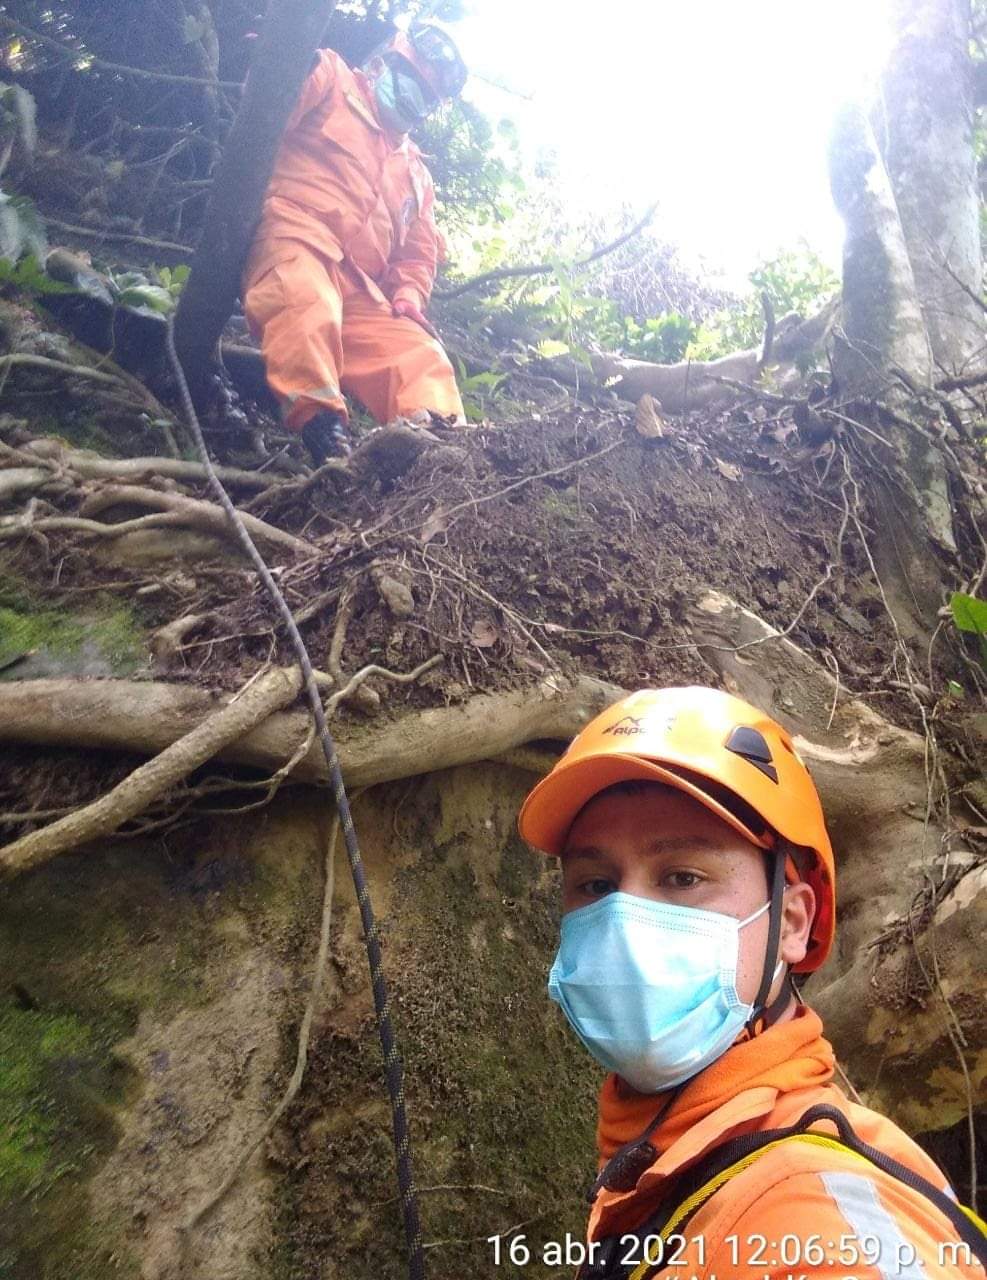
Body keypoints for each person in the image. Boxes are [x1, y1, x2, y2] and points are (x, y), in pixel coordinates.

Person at [517, 686, 986, 1280]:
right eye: (594, 885)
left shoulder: (805, 1212)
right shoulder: (677, 1159)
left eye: (682, 877)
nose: (624, 923)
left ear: (791, 923)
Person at [242, 23, 467, 465]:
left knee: (420, 353)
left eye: (426, 95)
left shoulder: (416, 174)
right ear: (383, 63)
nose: (412, 97)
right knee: (307, 301)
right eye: (409, 79)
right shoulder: (332, 76)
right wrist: (281, 67)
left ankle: (442, 453)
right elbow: (269, 109)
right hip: (296, 235)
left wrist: (407, 297)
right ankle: (324, 430)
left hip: (364, 290)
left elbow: (417, 255)